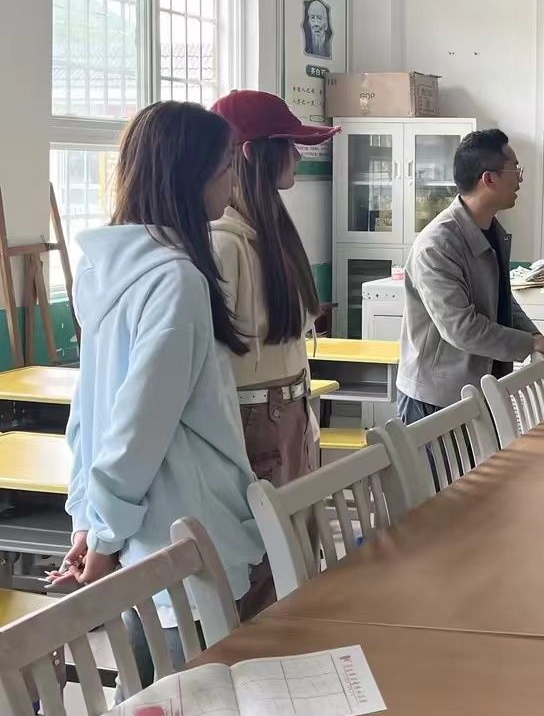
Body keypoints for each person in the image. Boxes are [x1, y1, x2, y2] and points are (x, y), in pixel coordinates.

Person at [53, 102, 265, 668]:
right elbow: (137, 427)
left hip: (141, 532)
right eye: (226, 165)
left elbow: (90, 414)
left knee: (152, 693)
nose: (232, 181)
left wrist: (90, 521)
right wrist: (100, 536)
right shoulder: (176, 278)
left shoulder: (106, 270)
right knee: (188, 692)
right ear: (191, 174)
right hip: (182, 533)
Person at [211, 90, 336, 490]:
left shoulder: (268, 232)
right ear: (251, 153)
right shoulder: (224, 243)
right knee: (271, 531)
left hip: (289, 410)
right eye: (288, 145)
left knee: (300, 527)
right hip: (255, 419)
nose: (298, 155)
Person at [397, 129, 544, 423]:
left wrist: (534, 335)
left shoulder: (490, 230)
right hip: (436, 399)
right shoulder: (438, 245)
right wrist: (528, 344)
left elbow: (501, 299)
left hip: (480, 390)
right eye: (515, 169)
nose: (520, 179)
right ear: (489, 179)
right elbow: (461, 328)